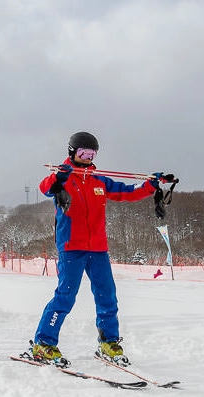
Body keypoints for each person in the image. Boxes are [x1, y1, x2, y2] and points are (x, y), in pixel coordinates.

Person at [29, 131, 174, 366]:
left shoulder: (100, 181)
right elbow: (45, 188)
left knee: (107, 296)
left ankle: (109, 342)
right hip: (71, 247)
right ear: (72, 152)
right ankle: (43, 343)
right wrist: (59, 177)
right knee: (65, 297)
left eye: (92, 153)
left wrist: (151, 185)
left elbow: (128, 192)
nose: (87, 157)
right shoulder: (63, 177)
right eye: (83, 152)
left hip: (97, 248)